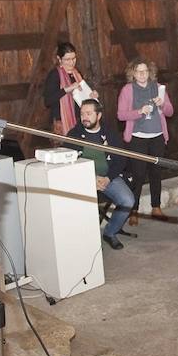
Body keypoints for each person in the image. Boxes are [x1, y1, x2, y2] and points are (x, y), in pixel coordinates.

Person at [69, 98, 136, 250]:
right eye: (82, 114)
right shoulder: (74, 134)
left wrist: (107, 178)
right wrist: (91, 179)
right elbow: (68, 161)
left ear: (98, 115)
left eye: (89, 113)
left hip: (108, 177)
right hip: (82, 179)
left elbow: (121, 160)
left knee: (127, 200)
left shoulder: (110, 134)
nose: (84, 117)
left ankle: (110, 232)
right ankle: (82, 240)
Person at [117, 58, 173, 223]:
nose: (142, 74)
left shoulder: (158, 88)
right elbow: (120, 115)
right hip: (137, 138)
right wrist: (139, 111)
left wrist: (162, 104)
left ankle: (156, 207)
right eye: (138, 71)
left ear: (150, 72)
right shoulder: (127, 90)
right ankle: (134, 210)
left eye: (145, 71)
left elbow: (170, 112)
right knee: (138, 175)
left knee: (156, 172)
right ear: (132, 73)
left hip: (157, 136)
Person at [43, 41, 95, 134]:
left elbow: (82, 97)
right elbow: (48, 101)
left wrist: (91, 95)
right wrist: (66, 89)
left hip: (79, 121)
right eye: (67, 59)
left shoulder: (77, 74)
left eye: (74, 58)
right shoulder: (54, 75)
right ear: (59, 59)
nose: (72, 62)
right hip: (61, 123)